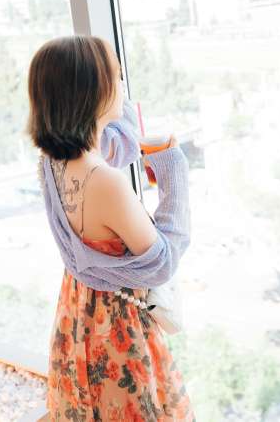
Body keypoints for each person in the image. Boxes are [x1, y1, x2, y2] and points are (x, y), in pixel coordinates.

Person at [27, 35, 194, 421]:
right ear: (94, 91)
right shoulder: (107, 182)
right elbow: (163, 262)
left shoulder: (52, 162)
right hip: (117, 324)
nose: (122, 85)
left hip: (79, 313)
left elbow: (115, 146)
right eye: (116, 77)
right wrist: (173, 168)